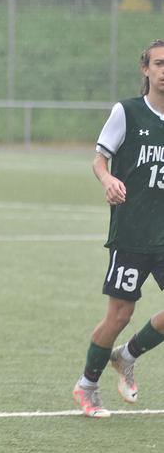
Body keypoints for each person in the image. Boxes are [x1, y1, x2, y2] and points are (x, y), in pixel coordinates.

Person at [73, 39, 164, 418]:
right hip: (130, 234)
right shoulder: (126, 112)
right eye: (159, 64)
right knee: (119, 316)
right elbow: (99, 160)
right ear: (146, 70)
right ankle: (86, 387)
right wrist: (108, 180)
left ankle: (126, 356)